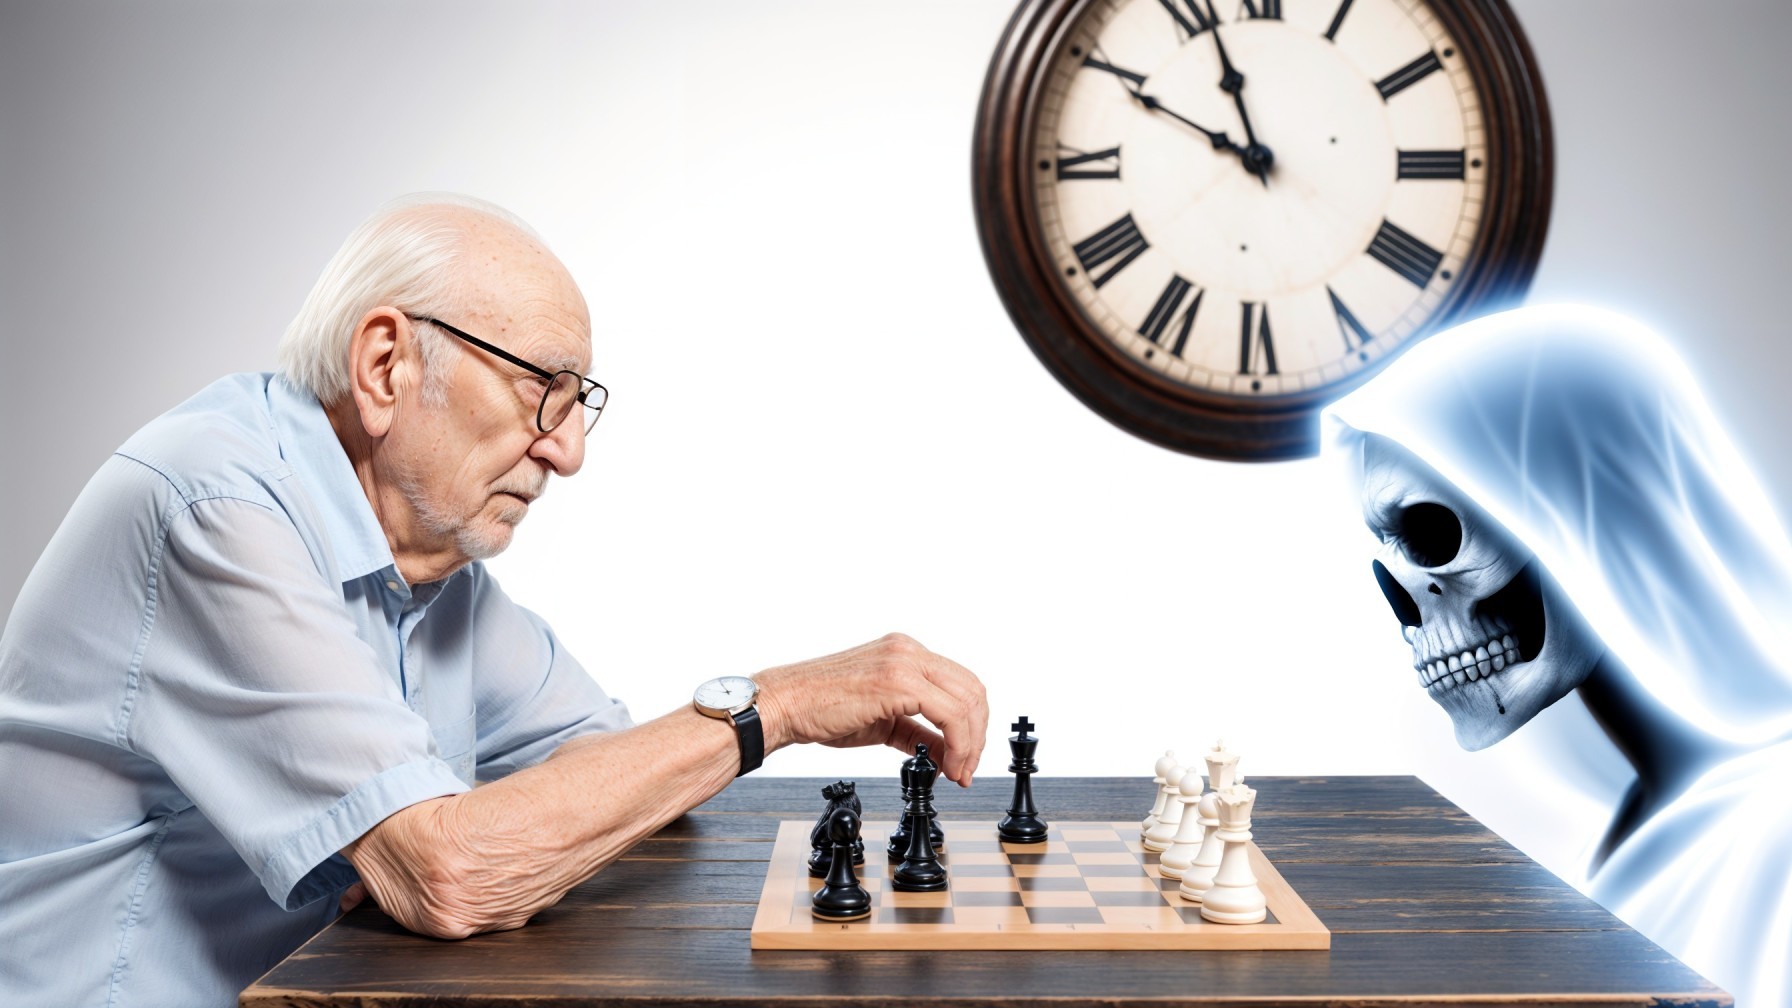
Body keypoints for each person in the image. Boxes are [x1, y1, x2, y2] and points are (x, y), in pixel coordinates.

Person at [0, 193, 990, 1007]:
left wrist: (465, 832)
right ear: (384, 365)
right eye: (542, 391)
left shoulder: (432, 570)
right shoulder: (212, 506)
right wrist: (776, 704)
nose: (569, 450)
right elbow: (455, 874)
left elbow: (612, 779)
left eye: (578, 403)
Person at [1322, 305, 1792, 1007]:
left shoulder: (1773, 841)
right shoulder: (1631, 830)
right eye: (1384, 547)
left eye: (1429, 532)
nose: (1405, 599)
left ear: (1589, 511)